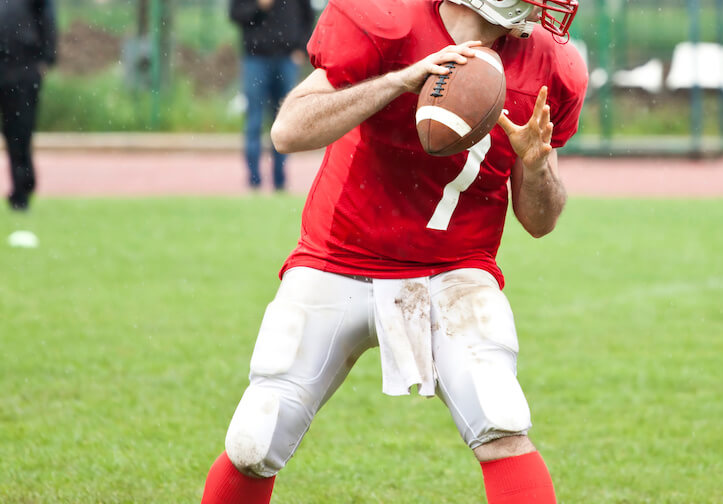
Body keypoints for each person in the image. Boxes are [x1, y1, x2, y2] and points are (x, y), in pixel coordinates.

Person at [202, 0, 587, 502]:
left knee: (502, 421)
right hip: (338, 259)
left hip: (455, 268)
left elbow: (540, 221)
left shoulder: (548, 63)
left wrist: (536, 166)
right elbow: (288, 131)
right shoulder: (388, 22)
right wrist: (399, 81)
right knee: (256, 437)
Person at [229, 0, 314, 191]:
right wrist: (258, 6)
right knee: (254, 121)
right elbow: (235, 14)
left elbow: (308, 17)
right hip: (255, 58)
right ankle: (254, 181)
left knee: (284, 122)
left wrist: (301, 49)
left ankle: (280, 181)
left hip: (287, 59)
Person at [0, 0, 57, 211]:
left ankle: (22, 188)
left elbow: (47, 17)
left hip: (22, 65)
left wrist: (47, 58)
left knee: (19, 130)